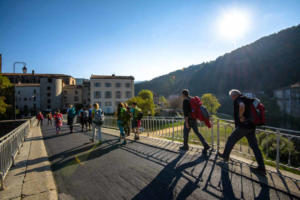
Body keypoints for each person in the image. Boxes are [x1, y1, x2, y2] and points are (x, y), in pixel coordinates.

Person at [218, 89, 266, 174]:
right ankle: (261, 168)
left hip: (243, 126)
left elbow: (241, 106)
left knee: (230, 139)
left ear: (234, 95)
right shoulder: (248, 99)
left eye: (231, 96)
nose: (231, 98)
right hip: (252, 126)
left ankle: (225, 156)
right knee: (255, 147)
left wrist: (240, 116)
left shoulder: (239, 99)